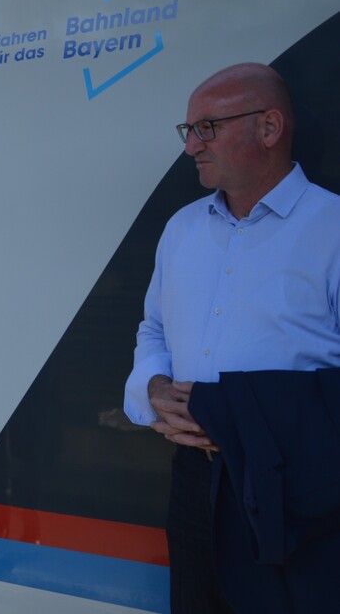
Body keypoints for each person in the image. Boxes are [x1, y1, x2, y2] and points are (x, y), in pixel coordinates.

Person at [123, 63, 340, 613]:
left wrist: (248, 415)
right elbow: (153, 327)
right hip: (196, 481)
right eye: (188, 130)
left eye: (207, 128)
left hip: (298, 486)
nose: (191, 145)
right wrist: (152, 386)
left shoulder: (333, 229)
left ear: (269, 128)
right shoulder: (182, 229)